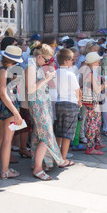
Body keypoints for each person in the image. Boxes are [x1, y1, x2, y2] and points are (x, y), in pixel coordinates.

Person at [26, 43, 66, 181]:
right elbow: (31, 89)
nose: (47, 62)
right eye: (46, 59)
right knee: (46, 134)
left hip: (42, 102)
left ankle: (37, 163)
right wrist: (47, 78)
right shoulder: (31, 66)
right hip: (38, 104)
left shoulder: (35, 65)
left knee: (39, 134)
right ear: (39, 57)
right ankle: (38, 169)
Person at [0, 46, 24, 179]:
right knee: (8, 139)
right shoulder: (4, 70)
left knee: (1, 136)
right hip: (8, 106)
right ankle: (5, 170)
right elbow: (3, 92)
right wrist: (16, 113)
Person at [81, 52, 107, 154]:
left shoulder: (90, 71)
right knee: (93, 124)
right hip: (91, 101)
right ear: (94, 62)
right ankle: (90, 147)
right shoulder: (89, 73)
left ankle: (97, 142)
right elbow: (97, 89)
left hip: (93, 101)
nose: (99, 62)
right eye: (98, 61)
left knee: (97, 122)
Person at [55, 48, 80, 165]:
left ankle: (56, 156)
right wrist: (79, 102)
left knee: (59, 131)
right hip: (71, 104)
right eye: (71, 60)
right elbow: (77, 91)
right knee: (68, 134)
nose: (73, 62)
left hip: (59, 103)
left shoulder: (55, 73)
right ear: (66, 61)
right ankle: (63, 159)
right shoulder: (70, 74)